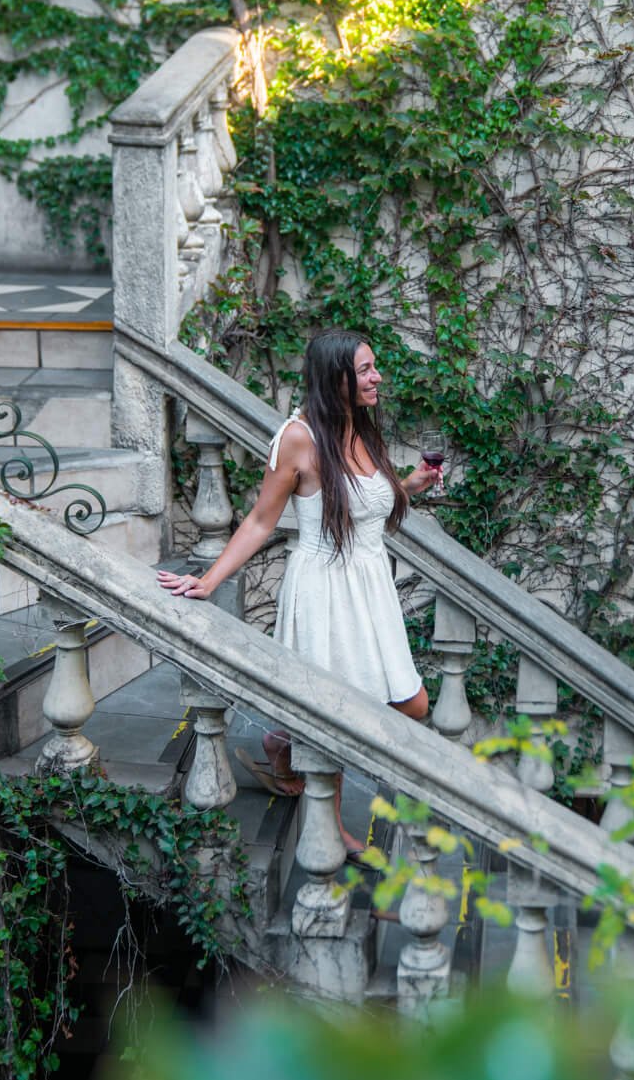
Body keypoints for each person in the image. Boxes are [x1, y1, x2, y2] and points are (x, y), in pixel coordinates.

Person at [157, 330, 439, 856]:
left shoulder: (360, 428)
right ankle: (328, 824)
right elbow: (261, 520)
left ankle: (280, 742)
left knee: (413, 704)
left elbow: (362, 507)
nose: (377, 377)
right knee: (333, 711)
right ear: (336, 378)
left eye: (374, 367)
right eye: (366, 370)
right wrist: (208, 579)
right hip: (326, 591)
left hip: (371, 589)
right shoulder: (298, 438)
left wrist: (409, 487)